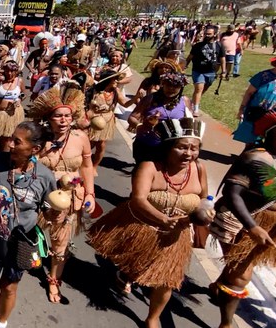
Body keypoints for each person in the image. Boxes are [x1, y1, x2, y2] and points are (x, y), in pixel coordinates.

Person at [88, 118, 208, 328]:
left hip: (175, 237)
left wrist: (206, 211)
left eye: (194, 148)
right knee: (136, 264)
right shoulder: (150, 167)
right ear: (169, 147)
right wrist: (163, 219)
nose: (189, 153)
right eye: (182, 147)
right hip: (145, 227)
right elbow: (138, 199)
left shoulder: (199, 169)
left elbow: (205, 198)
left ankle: (152, 318)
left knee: (166, 280)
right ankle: (127, 272)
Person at [0, 122, 56, 328]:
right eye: (11, 138)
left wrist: (58, 210)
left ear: (34, 149)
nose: (11, 144)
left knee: (9, 287)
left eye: (17, 141)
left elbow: (49, 211)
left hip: (20, 241)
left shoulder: (44, 177)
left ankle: (1, 323)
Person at [209, 108, 276, 328]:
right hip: (243, 222)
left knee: (236, 270)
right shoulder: (255, 158)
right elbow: (232, 195)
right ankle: (226, 323)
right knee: (240, 277)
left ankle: (219, 285)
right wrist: (252, 228)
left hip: (274, 226)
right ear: (269, 134)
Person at [29, 81, 95, 304]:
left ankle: (54, 279)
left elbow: (86, 168)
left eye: (67, 116)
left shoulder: (80, 138)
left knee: (60, 244)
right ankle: (31, 255)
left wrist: (89, 194)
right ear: (49, 118)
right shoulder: (40, 139)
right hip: (40, 196)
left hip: (69, 198)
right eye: (58, 116)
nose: (64, 120)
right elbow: (27, 166)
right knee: (31, 235)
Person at [128, 72, 192, 163]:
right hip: (146, 144)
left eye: (175, 86)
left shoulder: (185, 101)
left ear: (181, 87)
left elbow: (189, 123)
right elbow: (132, 118)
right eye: (168, 85)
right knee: (143, 171)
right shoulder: (150, 98)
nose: (171, 88)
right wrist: (143, 125)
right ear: (163, 84)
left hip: (170, 147)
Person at [86, 70, 132, 174]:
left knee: (101, 145)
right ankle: (83, 163)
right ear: (107, 80)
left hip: (107, 120)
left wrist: (137, 97)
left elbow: (125, 103)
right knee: (89, 143)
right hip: (93, 119)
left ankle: (94, 166)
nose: (117, 81)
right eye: (114, 79)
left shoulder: (115, 91)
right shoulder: (94, 90)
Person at [233, 50, 276, 145]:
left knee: (272, 141)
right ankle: (247, 155)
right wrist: (241, 109)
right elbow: (249, 93)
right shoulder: (263, 76)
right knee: (251, 139)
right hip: (256, 112)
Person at [184, 26, 225, 116]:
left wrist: (224, 71)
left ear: (215, 34)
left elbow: (222, 58)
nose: (207, 35)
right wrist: (185, 65)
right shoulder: (197, 46)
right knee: (199, 88)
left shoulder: (219, 45)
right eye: (206, 33)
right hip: (198, 71)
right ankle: (196, 109)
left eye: (209, 34)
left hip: (211, 72)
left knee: (203, 89)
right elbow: (190, 57)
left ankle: (193, 102)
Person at [0, 61, 26, 151]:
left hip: (14, 113)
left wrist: (19, 100)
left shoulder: (19, 81)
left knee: (12, 136)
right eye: (7, 70)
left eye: (12, 71)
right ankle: (3, 153)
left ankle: (11, 154)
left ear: (16, 71)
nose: (9, 73)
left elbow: (24, 94)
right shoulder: (0, 81)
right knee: (3, 136)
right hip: (1, 112)